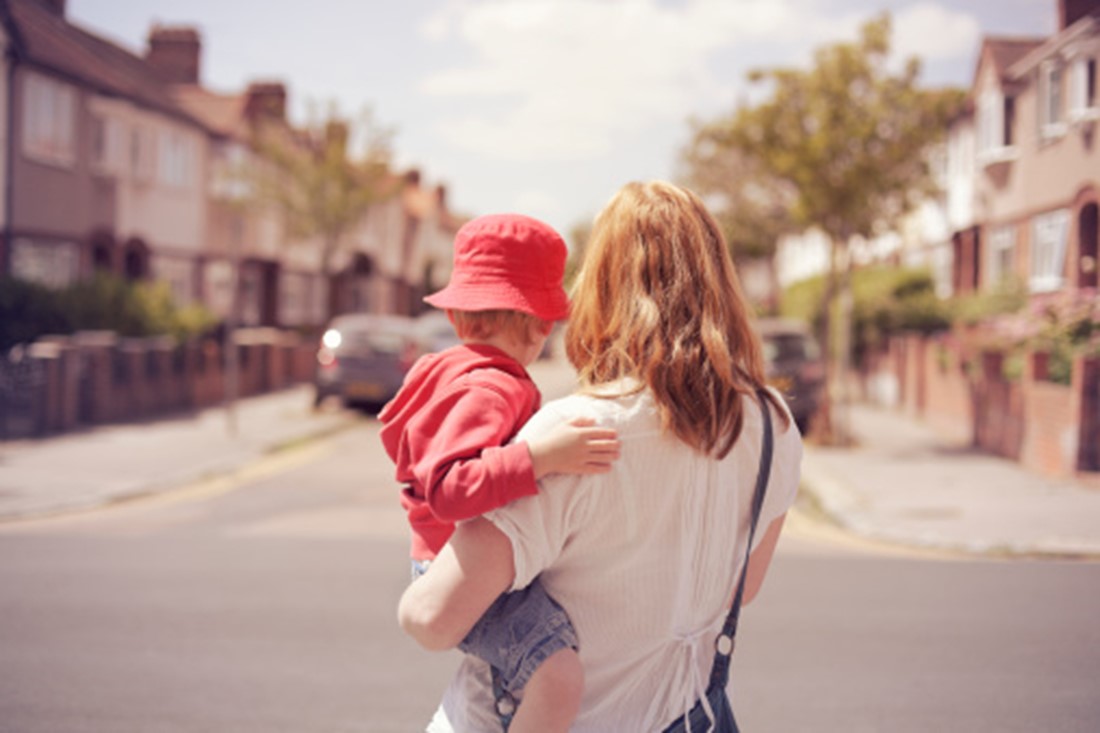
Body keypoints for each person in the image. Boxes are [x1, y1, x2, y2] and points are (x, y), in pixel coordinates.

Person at [398, 181, 803, 732]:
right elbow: (741, 586)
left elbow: (432, 619)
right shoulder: (774, 425)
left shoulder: (575, 436)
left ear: (603, 286)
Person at [380, 213, 621, 733]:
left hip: (450, 564)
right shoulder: (491, 388)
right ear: (538, 324)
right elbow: (449, 489)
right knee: (558, 677)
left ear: (460, 317)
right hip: (457, 572)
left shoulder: (456, 372)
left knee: (531, 667)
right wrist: (543, 457)